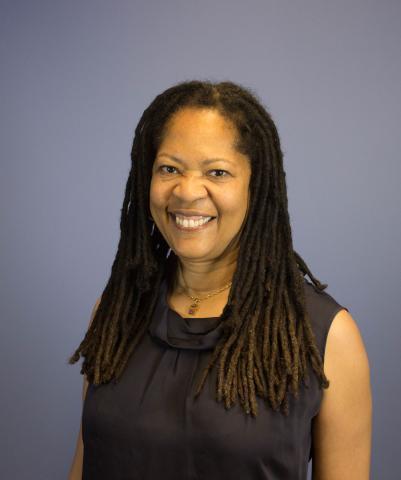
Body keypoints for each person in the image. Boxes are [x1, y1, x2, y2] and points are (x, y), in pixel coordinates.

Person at [68, 80, 372, 479]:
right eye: (169, 168)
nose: (187, 190)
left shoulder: (324, 336)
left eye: (217, 171)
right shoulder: (114, 316)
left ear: (256, 186)